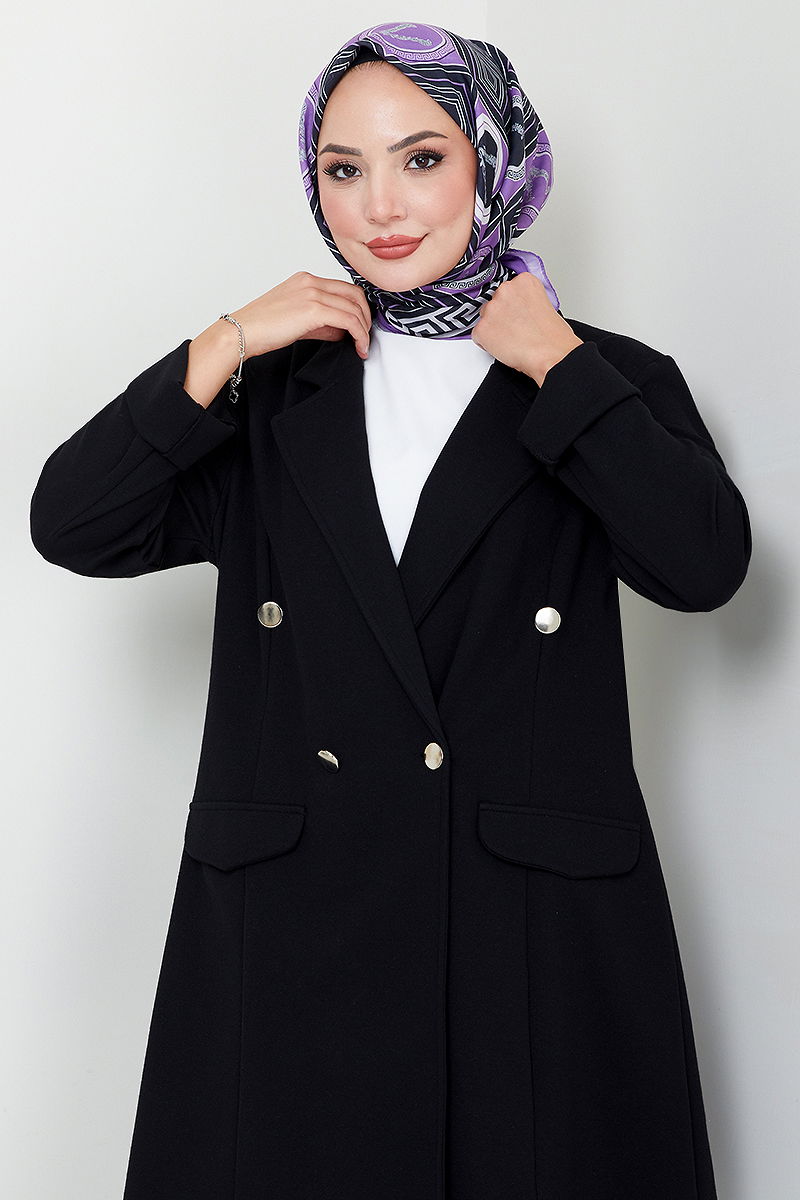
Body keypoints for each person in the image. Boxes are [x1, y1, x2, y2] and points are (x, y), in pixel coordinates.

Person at [30, 20, 751, 1200]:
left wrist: (558, 366)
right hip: (295, 925)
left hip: (523, 930)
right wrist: (225, 342)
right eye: (343, 168)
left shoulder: (603, 377)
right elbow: (73, 522)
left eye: (421, 158)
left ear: (490, 161)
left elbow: (703, 566)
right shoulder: (272, 395)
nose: (380, 206)